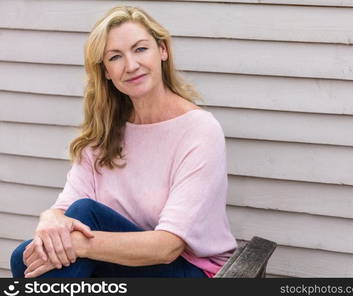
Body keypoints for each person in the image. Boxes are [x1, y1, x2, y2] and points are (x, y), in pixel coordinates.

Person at [10, 5, 237, 278]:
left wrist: (80, 244)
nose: (131, 65)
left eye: (140, 49)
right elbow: (64, 209)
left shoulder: (199, 130)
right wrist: (49, 217)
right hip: (122, 264)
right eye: (115, 57)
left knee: (68, 228)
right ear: (106, 71)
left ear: (162, 50)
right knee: (26, 256)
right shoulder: (106, 131)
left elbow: (167, 247)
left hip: (188, 270)